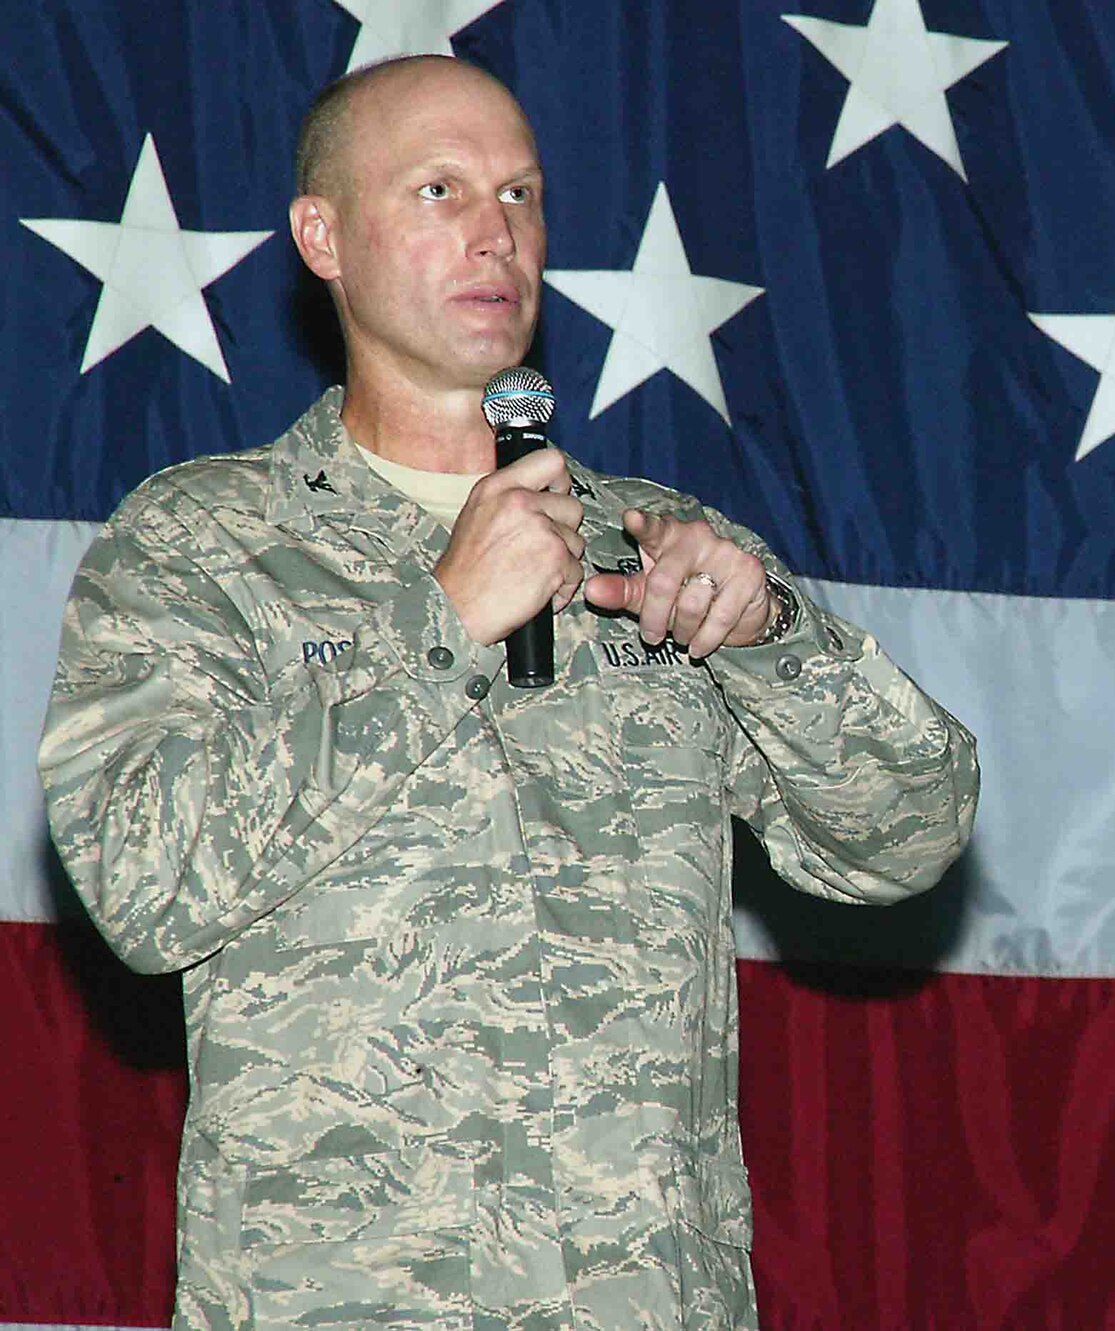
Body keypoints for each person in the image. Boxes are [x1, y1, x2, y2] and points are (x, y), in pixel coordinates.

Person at [38, 55, 978, 1330]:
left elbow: (907, 836)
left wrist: (772, 636)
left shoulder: (657, 545)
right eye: (439, 190)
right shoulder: (202, 544)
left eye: (522, 194)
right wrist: (440, 620)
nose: (496, 233)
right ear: (323, 236)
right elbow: (143, 885)